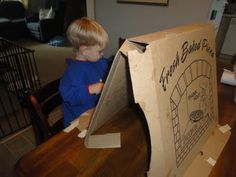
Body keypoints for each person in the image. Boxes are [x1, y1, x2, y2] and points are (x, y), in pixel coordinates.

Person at [59, 17, 111, 129]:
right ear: (85, 51)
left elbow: (107, 62)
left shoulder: (98, 60)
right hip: (78, 122)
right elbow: (69, 96)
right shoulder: (73, 72)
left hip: (95, 113)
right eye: (100, 51)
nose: (102, 54)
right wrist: (91, 89)